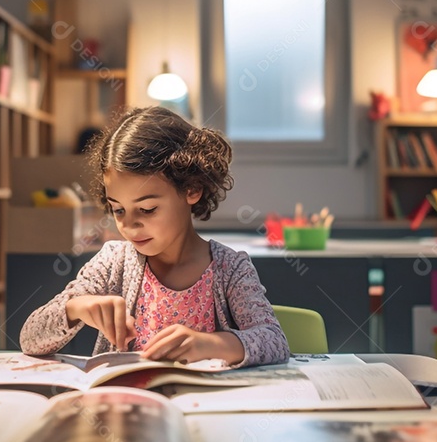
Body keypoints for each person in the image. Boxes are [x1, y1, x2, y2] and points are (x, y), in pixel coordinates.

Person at [20, 106, 289, 368]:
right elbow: (30, 339)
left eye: (147, 209)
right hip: (128, 407)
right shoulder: (113, 262)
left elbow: (274, 341)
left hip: (204, 409)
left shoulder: (230, 269)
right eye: (118, 209)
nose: (130, 225)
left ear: (192, 189)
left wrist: (210, 344)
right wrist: (75, 307)